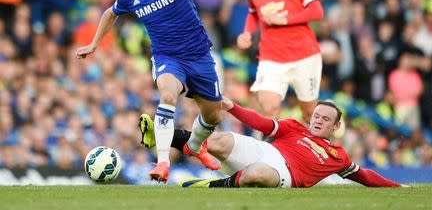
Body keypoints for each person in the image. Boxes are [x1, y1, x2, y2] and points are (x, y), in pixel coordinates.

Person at [75, 0, 223, 183]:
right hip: (166, 56)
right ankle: (163, 163)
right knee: (167, 94)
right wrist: (93, 44)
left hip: (198, 55)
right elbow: (110, 13)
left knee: (213, 117)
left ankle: (194, 145)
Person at [141, 97, 404, 188]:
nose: (318, 120)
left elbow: (365, 176)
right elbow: (263, 124)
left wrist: (396, 186)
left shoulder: (338, 156)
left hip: (285, 174)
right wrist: (233, 107)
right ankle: (162, 135)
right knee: (218, 139)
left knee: (257, 174)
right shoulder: (296, 127)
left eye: (325, 119)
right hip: (267, 149)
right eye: (317, 115)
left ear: (336, 126)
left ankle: (211, 186)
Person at [237, 0, 324, 123]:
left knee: (310, 113)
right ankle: (272, 152)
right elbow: (253, 13)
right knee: (268, 107)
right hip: (271, 56)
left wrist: (284, 20)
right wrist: (247, 33)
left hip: (304, 54)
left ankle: (314, 151)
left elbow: (317, 10)